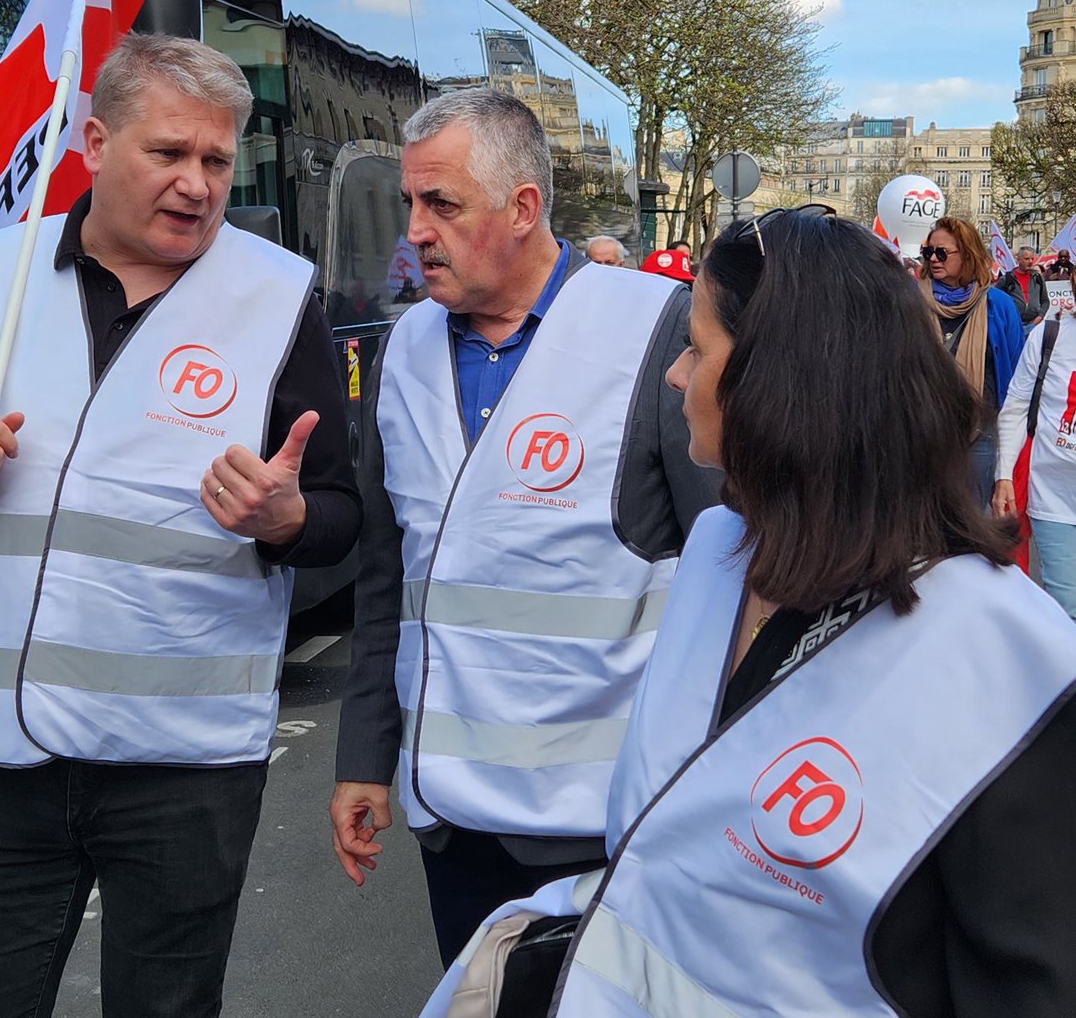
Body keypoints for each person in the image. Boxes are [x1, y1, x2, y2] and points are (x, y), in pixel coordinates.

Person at [421, 206, 1076, 1018]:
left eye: (697, 347)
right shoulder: (718, 548)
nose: (674, 374)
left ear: (779, 379)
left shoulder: (1009, 656)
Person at [0, 34, 362, 1018]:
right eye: (168, 154)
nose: (197, 183)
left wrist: (288, 516)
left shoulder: (276, 299)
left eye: (217, 161)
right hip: (5, 761)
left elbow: (345, 515)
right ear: (94, 142)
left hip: (185, 767)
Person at [329, 88, 720, 966]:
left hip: (606, 829)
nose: (416, 232)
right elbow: (389, 575)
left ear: (524, 208)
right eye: (410, 205)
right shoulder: (403, 351)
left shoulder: (654, 330)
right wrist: (364, 756)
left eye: (442, 205)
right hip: (453, 826)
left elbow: (725, 569)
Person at [919, 216, 1024, 504]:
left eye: (942, 252)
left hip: (978, 433)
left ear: (967, 254)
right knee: (922, 521)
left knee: (973, 520)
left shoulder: (998, 306)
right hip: (922, 432)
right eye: (929, 252)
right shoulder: (911, 302)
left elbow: (1015, 376)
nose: (934, 259)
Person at [994, 308, 1076, 618]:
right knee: (1067, 610)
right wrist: (1003, 476)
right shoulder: (1050, 335)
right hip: (1054, 498)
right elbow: (1015, 407)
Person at [996, 243, 1051, 325]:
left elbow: (1045, 301)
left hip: (1034, 324)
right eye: (1027, 259)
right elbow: (996, 301)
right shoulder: (1006, 279)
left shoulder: (1038, 278)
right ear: (1019, 259)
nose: (1030, 261)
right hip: (1013, 325)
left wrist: (1040, 316)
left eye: (1032, 259)